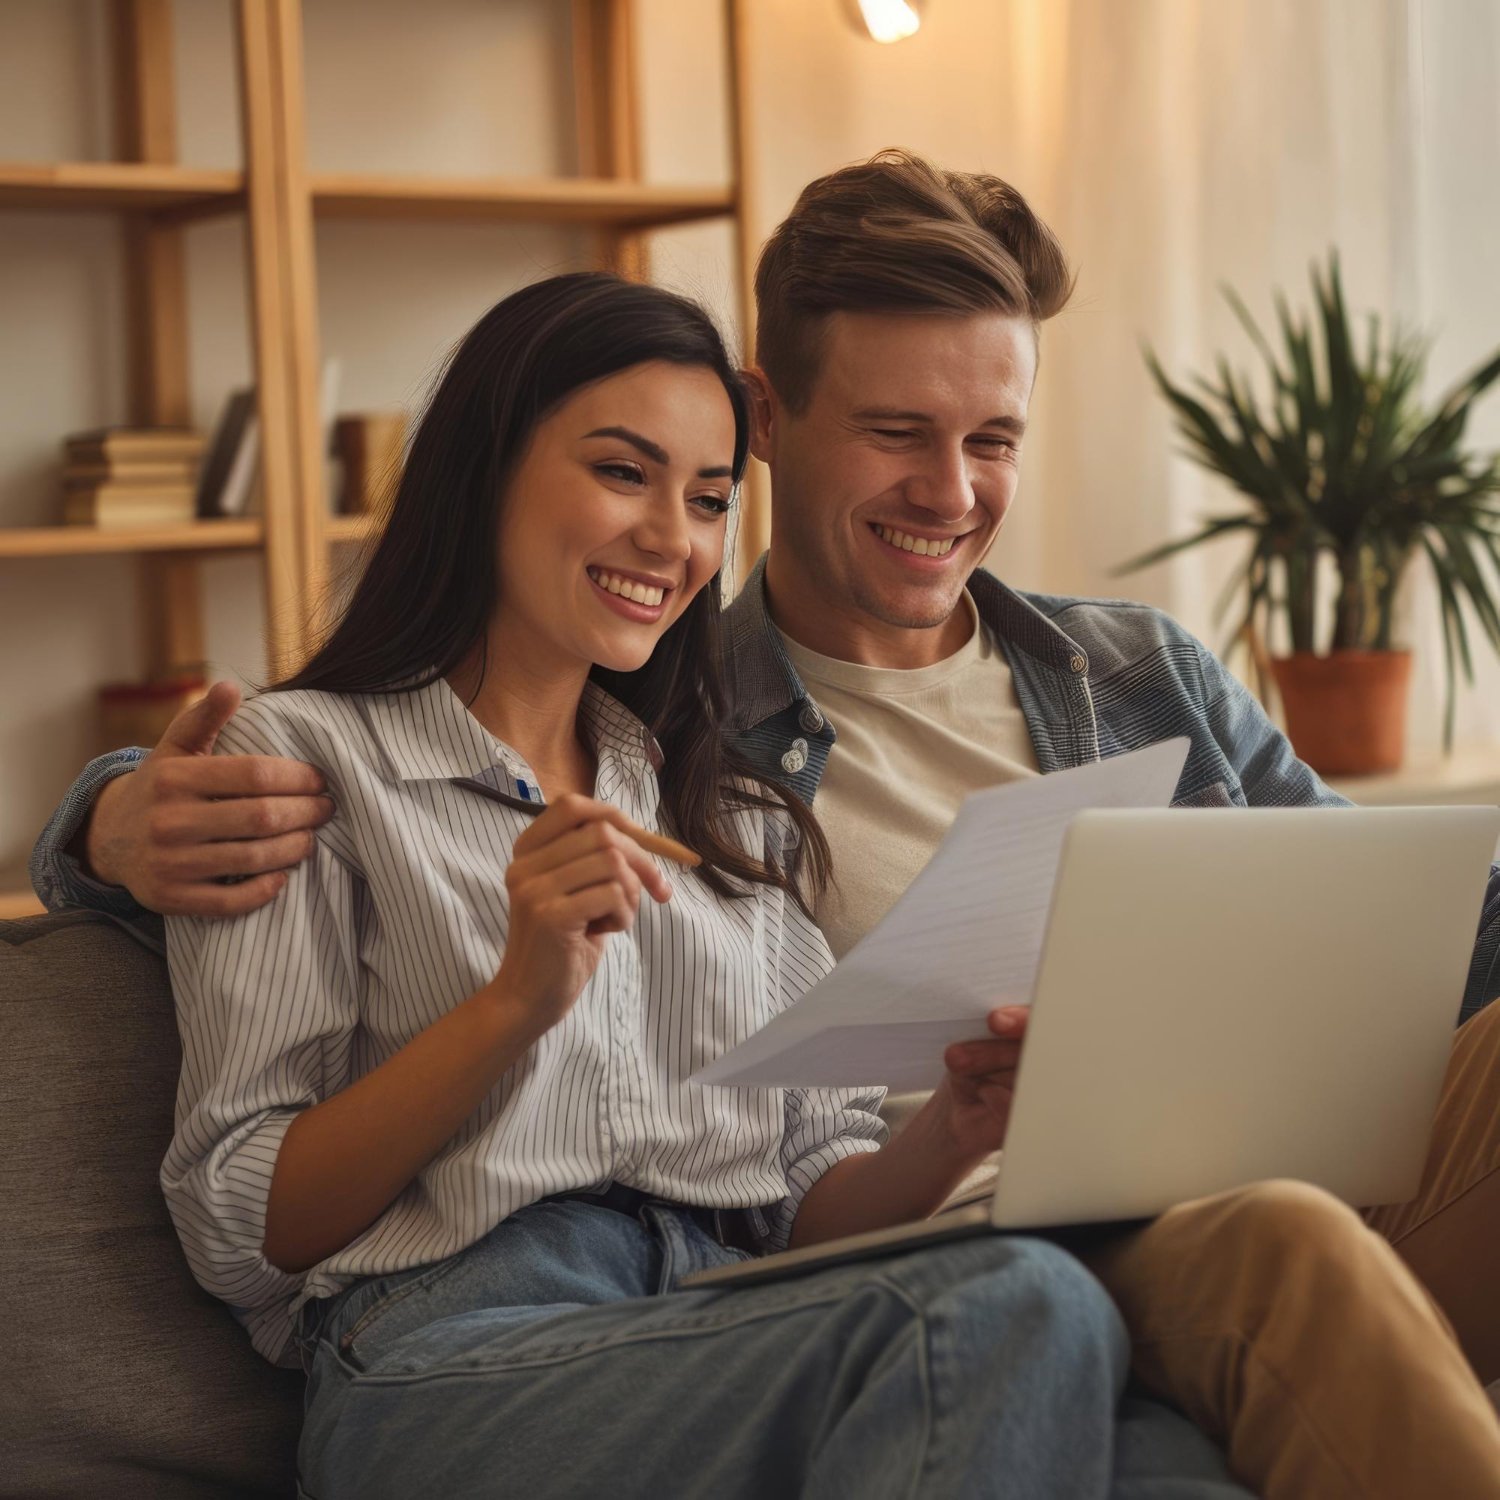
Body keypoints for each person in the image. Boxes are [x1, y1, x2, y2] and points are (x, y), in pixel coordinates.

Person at [32, 155, 1500, 1496]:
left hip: (741, 1310)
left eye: (704, 495)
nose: (673, 535)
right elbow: (241, 1215)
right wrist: (495, 992)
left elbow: (805, 1187)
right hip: (483, 1334)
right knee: (1042, 1306)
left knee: (1174, 1463)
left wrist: (969, 1118)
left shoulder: (711, 794)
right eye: (622, 471)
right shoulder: (370, 758)